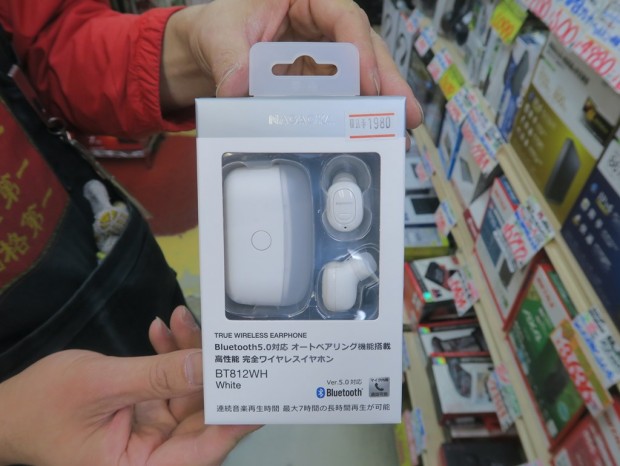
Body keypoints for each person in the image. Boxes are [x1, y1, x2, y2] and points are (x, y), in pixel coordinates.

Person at [0, 1, 423, 465]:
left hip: (102, 257)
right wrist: (11, 425)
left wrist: (190, 42)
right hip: (19, 378)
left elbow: (54, 43)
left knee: (183, 397)